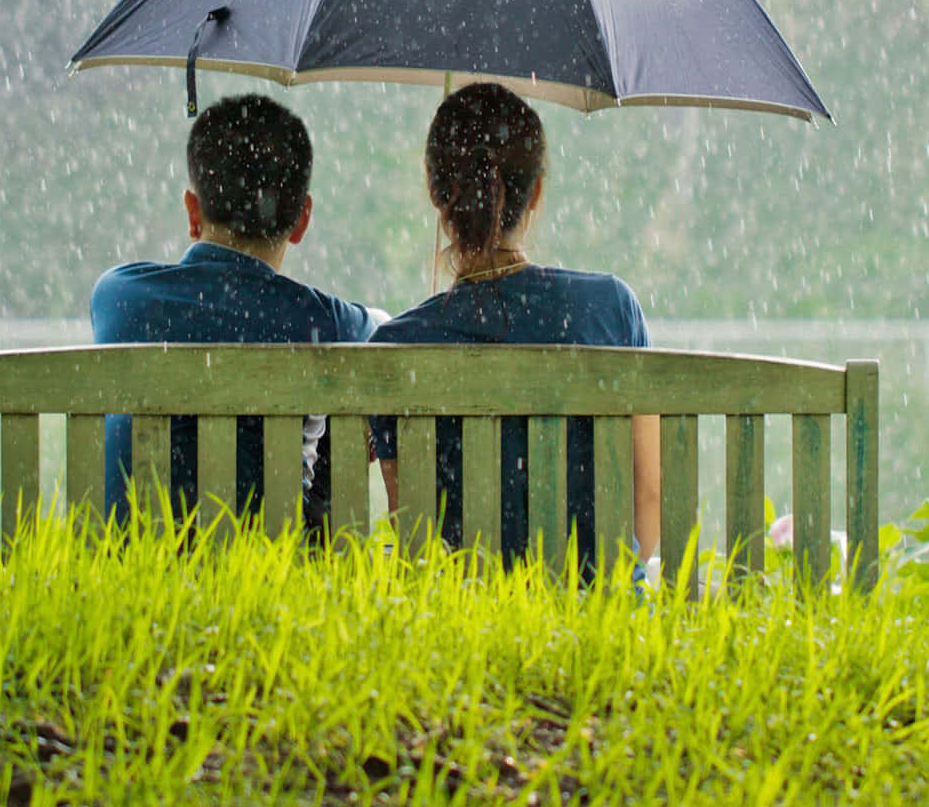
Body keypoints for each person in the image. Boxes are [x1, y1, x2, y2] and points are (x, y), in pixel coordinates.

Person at [371, 82, 661, 574]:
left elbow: (416, 539)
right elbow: (648, 506)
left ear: (435, 193)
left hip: (469, 630)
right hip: (608, 621)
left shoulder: (395, 348)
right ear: (537, 192)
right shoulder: (611, 308)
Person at [91, 93, 377, 535]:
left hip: (130, 581)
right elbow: (386, 332)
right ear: (301, 221)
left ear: (193, 210)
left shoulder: (117, 297)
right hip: (269, 581)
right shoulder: (325, 323)